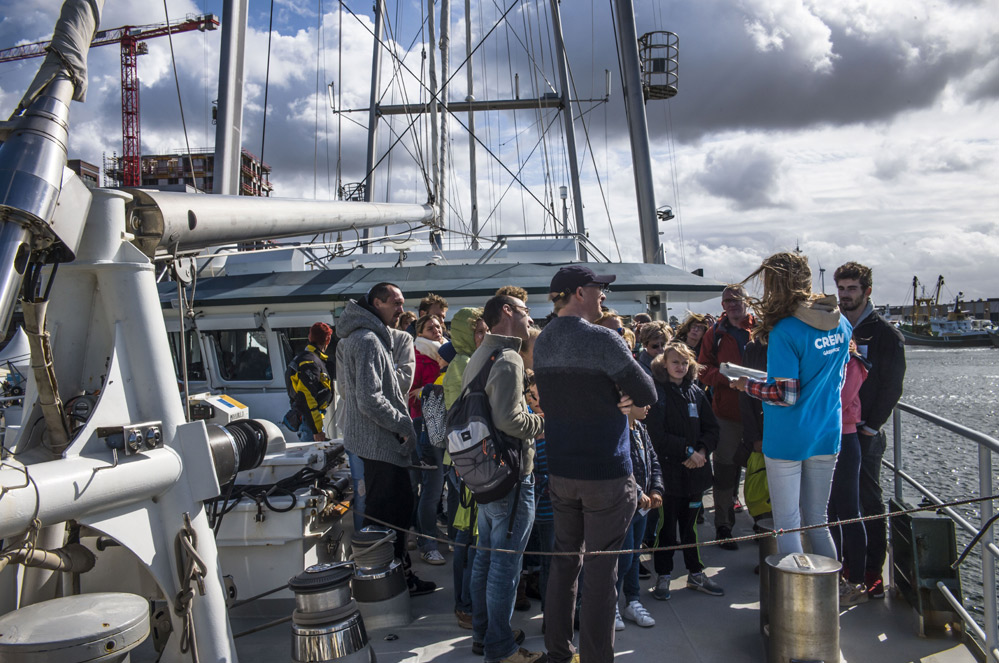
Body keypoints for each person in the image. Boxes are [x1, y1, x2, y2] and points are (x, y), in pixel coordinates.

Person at [534, 265, 657, 663]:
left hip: (562, 470)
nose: (603, 293)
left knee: (565, 563)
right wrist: (626, 399)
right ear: (577, 292)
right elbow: (647, 391)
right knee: (602, 577)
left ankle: (558, 652)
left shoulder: (544, 339)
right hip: (605, 472)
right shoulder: (603, 338)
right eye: (598, 287)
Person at [732, 252, 852, 559]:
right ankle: (828, 593)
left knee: (787, 522)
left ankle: (796, 601)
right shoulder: (841, 324)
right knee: (818, 521)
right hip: (827, 431)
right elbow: (836, 375)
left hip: (788, 438)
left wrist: (747, 385)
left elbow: (786, 395)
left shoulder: (786, 331)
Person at [335, 282, 436, 596]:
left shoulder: (365, 337)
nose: (401, 310)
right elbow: (370, 399)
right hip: (381, 443)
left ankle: (394, 577)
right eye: (396, 302)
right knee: (393, 511)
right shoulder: (368, 341)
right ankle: (392, 583)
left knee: (391, 511)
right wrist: (404, 426)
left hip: (375, 441)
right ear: (377, 303)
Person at [464, 294, 545, 663]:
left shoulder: (481, 353)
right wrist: (544, 422)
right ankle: (500, 648)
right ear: (508, 312)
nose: (531, 317)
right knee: (505, 565)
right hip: (510, 477)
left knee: (485, 558)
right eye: (525, 311)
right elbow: (511, 420)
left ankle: (485, 634)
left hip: (483, 473)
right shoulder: (510, 357)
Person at [834, 261, 905, 599]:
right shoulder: (833, 327)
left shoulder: (885, 335)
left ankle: (872, 572)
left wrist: (871, 426)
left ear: (867, 292)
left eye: (851, 289)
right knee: (838, 503)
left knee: (868, 502)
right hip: (836, 429)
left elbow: (892, 386)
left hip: (864, 434)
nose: (845, 295)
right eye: (841, 288)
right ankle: (845, 566)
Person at [649, 342, 723, 600]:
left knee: (690, 528)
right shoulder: (657, 394)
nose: (680, 367)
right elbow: (655, 436)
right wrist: (687, 451)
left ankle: (695, 572)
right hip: (669, 474)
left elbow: (712, 429)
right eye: (675, 362)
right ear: (664, 365)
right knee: (667, 528)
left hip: (695, 474)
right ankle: (664, 575)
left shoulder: (697, 392)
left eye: (684, 362)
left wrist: (701, 452)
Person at [698, 284, 756, 550]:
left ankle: (763, 521)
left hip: (762, 411)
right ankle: (724, 526)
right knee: (724, 468)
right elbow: (701, 368)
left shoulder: (761, 328)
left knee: (762, 469)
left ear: (746, 301)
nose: (731, 305)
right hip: (728, 411)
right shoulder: (715, 334)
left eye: (735, 300)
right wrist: (725, 378)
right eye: (726, 302)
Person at [615, 402, 663, 629]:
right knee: (622, 558)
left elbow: (653, 460)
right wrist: (638, 492)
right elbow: (618, 466)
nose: (648, 406)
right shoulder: (616, 430)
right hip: (623, 508)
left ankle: (632, 601)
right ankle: (610, 604)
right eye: (642, 402)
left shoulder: (641, 429)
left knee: (635, 556)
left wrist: (656, 489)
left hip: (641, 511)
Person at [830, 341, 870, 606]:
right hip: (826, 441)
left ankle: (857, 581)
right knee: (829, 512)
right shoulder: (833, 360)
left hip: (845, 440)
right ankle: (835, 574)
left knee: (850, 512)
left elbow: (839, 401)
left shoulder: (852, 363)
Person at [410, 314, 447, 565]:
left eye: (439, 325)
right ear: (420, 332)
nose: (437, 329)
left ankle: (428, 534)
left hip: (444, 424)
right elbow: (411, 392)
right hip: (423, 424)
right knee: (430, 489)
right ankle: (427, 543)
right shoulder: (416, 355)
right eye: (430, 326)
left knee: (438, 488)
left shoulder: (446, 351)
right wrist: (432, 387)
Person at [284, 322, 333, 442]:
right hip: (309, 424)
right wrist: (317, 430)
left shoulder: (305, 359)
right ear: (328, 339)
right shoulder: (310, 362)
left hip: (310, 421)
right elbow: (307, 398)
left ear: (309, 337)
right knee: (313, 459)